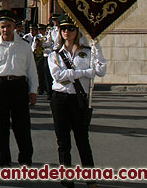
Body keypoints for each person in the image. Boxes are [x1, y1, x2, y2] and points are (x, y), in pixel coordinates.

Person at [48, 16, 106, 188]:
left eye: (71, 29)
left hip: (79, 100)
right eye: (63, 29)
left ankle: (90, 178)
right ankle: (67, 178)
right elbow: (58, 76)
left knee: (82, 140)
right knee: (63, 141)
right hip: (60, 98)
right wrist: (83, 72)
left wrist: (98, 49)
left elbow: (100, 71)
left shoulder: (88, 51)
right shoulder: (55, 54)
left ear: (77, 31)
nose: (67, 32)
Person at [0, 9, 38, 167]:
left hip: (19, 86)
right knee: (1, 127)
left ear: (15, 27)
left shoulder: (25, 46)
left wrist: (33, 90)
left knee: (22, 125)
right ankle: (3, 161)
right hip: (0, 87)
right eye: (3, 26)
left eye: (9, 26)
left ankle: (25, 158)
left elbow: (31, 70)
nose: (6, 29)